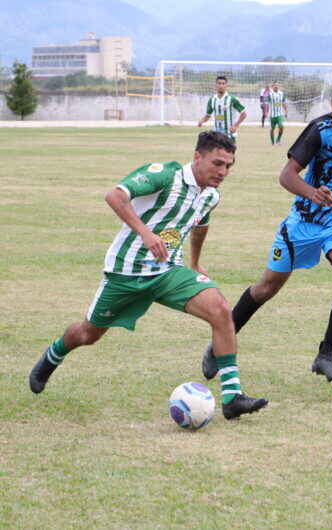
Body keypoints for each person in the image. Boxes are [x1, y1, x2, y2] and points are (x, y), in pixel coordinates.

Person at [29, 131, 268, 421]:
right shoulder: (165, 175)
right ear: (197, 157)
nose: (223, 171)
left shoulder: (211, 196)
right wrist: (145, 234)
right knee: (88, 334)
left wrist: (195, 262)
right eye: (217, 163)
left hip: (169, 272)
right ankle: (52, 356)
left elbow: (200, 224)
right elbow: (114, 196)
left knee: (221, 311)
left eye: (229, 166)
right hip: (127, 272)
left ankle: (232, 398)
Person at [201, 84, 332, 383]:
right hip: (305, 220)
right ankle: (218, 347)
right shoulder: (321, 129)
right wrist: (312, 193)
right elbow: (286, 175)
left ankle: (326, 355)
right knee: (266, 288)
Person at [197, 76, 247, 141]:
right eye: (219, 83)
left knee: (227, 151)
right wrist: (201, 121)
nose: (221, 86)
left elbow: (243, 114)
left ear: (226, 85)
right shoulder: (212, 100)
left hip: (229, 135)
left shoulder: (232, 99)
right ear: (215, 85)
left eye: (223, 84)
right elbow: (208, 115)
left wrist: (236, 125)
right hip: (216, 135)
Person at [268, 81, 288, 146]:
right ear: (272, 87)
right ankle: (273, 143)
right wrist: (265, 111)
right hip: (272, 115)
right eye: (274, 86)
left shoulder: (281, 94)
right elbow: (267, 103)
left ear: (279, 86)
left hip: (279, 114)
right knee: (272, 129)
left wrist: (286, 111)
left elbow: (284, 103)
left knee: (281, 126)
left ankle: (278, 140)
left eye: (277, 85)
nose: (276, 87)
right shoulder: (270, 94)